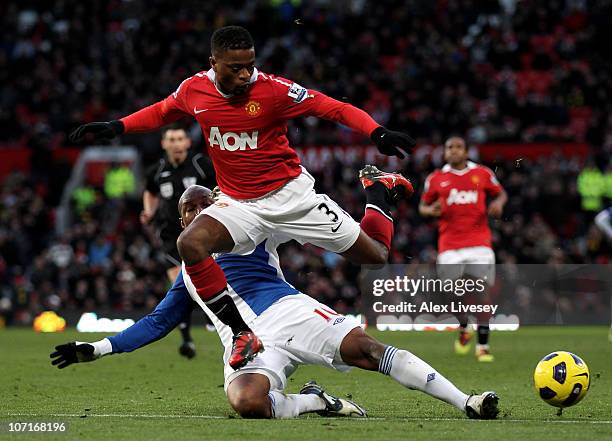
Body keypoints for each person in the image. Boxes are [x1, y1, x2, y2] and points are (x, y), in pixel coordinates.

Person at [68, 26, 416, 369]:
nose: (246, 74)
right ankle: (241, 333)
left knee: (375, 257)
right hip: (239, 204)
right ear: (214, 63)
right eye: (236, 68)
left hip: (291, 198)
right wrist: (117, 126)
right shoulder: (194, 90)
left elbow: (332, 108)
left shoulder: (274, 90)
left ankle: (380, 191)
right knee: (190, 243)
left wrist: (376, 131)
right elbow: (161, 112)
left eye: (250, 65)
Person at [50, 185, 499, 420]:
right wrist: (96, 349)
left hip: (288, 313)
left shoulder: (251, 225)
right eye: (187, 211)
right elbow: (154, 324)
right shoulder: (188, 273)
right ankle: (316, 403)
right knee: (247, 404)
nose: (194, 215)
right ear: (180, 220)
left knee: (367, 349)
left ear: (218, 205)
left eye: (202, 205)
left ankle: (467, 402)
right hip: (246, 347)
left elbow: (305, 221)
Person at [419, 136, 507, 362]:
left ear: (466, 151)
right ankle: (464, 325)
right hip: (449, 245)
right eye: (450, 147)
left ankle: (483, 346)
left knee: (482, 293)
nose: (454, 151)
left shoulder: (483, 173)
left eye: (459, 147)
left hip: (480, 244)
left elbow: (501, 193)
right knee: (451, 293)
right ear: (445, 153)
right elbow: (423, 206)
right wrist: (431, 211)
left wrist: (498, 203)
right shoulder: (436, 178)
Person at [141, 124, 216, 359]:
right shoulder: (156, 170)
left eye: (180, 138)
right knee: (179, 282)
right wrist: (148, 212)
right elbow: (150, 191)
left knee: (202, 278)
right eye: (171, 139)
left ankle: (213, 317)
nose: (175, 143)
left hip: (202, 233)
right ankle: (186, 339)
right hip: (170, 236)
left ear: (187, 143)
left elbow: (218, 188)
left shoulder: (201, 165)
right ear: (164, 144)